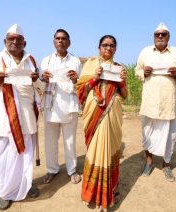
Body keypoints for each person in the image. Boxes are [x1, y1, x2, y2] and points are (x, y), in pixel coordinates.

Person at [0, 24, 43, 210]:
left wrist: (36, 80)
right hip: (5, 120)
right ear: (5, 41)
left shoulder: (31, 60)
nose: (15, 42)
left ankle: (25, 185)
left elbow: (41, 88)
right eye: (11, 39)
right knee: (3, 158)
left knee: (25, 156)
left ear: (24, 42)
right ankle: (4, 192)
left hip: (26, 117)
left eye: (19, 39)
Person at [77, 35, 127, 210]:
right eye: (105, 45)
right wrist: (95, 77)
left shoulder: (119, 68)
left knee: (110, 149)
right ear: (99, 47)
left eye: (112, 46)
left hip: (112, 114)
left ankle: (110, 189)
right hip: (94, 113)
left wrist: (122, 82)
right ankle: (91, 192)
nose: (108, 48)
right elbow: (80, 91)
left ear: (115, 49)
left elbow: (125, 95)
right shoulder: (90, 64)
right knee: (95, 150)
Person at [135, 23, 176, 181]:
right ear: (153, 37)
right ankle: (149, 162)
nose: (160, 37)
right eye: (157, 34)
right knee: (147, 132)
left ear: (168, 36)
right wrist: (143, 72)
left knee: (170, 134)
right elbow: (137, 71)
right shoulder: (145, 52)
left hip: (168, 101)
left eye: (163, 34)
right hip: (149, 100)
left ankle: (166, 164)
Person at [40, 29, 82, 184]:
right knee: (50, 141)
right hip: (50, 107)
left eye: (64, 39)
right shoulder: (46, 61)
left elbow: (80, 84)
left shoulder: (75, 61)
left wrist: (76, 79)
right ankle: (52, 169)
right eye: (57, 38)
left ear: (69, 42)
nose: (60, 41)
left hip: (69, 106)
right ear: (53, 42)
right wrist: (43, 79)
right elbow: (40, 84)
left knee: (70, 141)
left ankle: (72, 170)